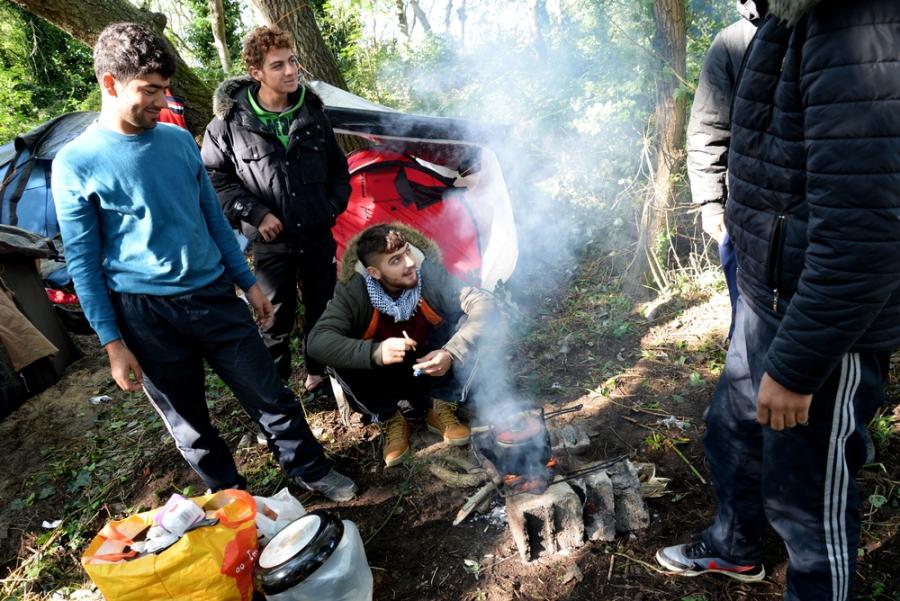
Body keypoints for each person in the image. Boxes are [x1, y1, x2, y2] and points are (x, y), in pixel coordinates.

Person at [51, 22, 356, 502]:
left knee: (270, 395)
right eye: (149, 91)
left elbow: (214, 220)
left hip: (214, 294)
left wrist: (247, 282)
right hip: (146, 315)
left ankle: (311, 468)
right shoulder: (75, 162)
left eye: (164, 90)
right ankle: (231, 499)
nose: (160, 102)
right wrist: (112, 343)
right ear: (110, 84)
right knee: (190, 422)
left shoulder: (176, 143)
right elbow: (84, 264)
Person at [656, 1, 900, 599]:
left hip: (825, 321)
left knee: (807, 491)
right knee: (731, 429)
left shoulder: (861, 24)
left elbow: (863, 237)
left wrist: (794, 368)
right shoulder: (784, 23)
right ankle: (735, 548)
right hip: (766, 293)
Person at [201, 25, 351, 392]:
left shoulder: (315, 114)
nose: (290, 71)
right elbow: (213, 177)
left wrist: (330, 208)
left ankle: (320, 375)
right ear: (256, 73)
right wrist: (253, 212)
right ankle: (277, 391)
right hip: (272, 244)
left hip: (318, 236)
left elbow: (339, 172)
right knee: (273, 317)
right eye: (278, 65)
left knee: (323, 309)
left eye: (293, 61)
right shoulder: (229, 123)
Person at [307, 223, 495, 466]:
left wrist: (450, 352)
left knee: (471, 324)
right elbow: (317, 341)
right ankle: (390, 418)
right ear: (374, 272)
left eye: (407, 252)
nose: (409, 263)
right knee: (338, 357)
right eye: (395, 261)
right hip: (383, 376)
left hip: (433, 364)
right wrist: (375, 352)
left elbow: (483, 303)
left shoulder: (429, 274)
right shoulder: (354, 291)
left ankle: (441, 405)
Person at [686, 0, 763, 339]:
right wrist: (710, 202)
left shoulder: (822, 31)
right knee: (746, 322)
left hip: (808, 214)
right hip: (743, 211)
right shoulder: (732, 42)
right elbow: (708, 125)